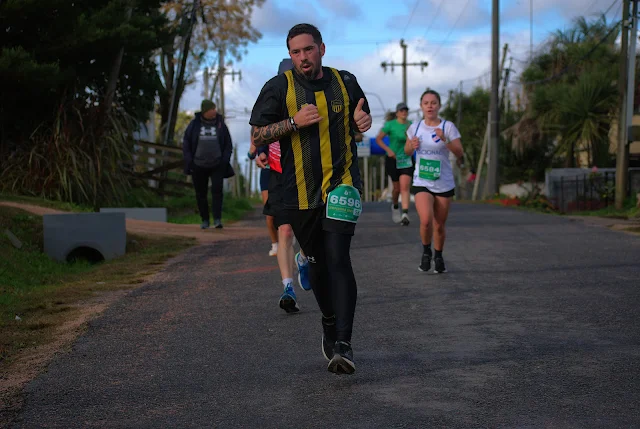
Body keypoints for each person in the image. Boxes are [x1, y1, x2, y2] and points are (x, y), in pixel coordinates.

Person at [250, 23, 372, 375]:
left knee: (339, 259)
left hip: (342, 184)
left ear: (321, 48)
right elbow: (257, 134)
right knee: (317, 264)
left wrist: (362, 122)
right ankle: (329, 321)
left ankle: (344, 344)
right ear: (290, 55)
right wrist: (292, 122)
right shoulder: (279, 87)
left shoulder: (345, 82)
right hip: (299, 191)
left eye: (308, 49)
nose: (303, 57)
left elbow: (358, 123)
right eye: (296, 52)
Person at [405, 89, 464, 274]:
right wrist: (411, 146)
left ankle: (438, 255)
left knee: (439, 225)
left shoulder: (448, 126)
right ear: (421, 106)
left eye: (433, 103)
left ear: (439, 106)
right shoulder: (415, 127)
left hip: (443, 182)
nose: (430, 106)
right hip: (422, 181)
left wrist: (445, 140)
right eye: (426, 103)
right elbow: (406, 151)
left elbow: (459, 152)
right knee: (426, 220)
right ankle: (426, 252)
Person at [182, 100, 233, 229]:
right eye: (212, 109)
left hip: (217, 164)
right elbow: (186, 142)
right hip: (198, 164)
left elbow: (228, 143)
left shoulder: (220, 124)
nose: (215, 111)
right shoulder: (194, 124)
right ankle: (205, 220)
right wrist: (189, 160)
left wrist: (224, 160)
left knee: (217, 191)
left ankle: (217, 219)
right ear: (205, 111)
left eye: (215, 109)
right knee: (201, 193)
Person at [375, 102, 413, 225]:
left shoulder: (411, 125)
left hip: (406, 159)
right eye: (401, 110)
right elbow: (378, 139)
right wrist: (388, 150)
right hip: (393, 159)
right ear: (397, 113)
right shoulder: (390, 125)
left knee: (405, 186)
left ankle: (405, 214)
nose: (404, 112)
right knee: (397, 188)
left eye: (406, 110)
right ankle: (395, 206)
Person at [248, 139, 279, 256]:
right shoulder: (260, 129)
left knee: (286, 211)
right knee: (270, 214)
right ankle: (275, 244)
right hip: (267, 171)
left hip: (285, 170)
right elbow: (251, 154)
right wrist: (255, 152)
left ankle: (287, 237)